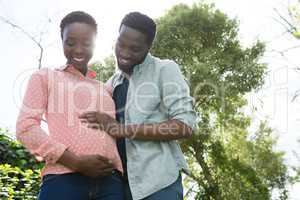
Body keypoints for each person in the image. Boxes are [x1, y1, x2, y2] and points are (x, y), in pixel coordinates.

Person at [80, 12, 197, 200]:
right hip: (119, 187)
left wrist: (121, 130)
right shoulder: (111, 83)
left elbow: (185, 125)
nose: (124, 53)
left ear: (149, 47)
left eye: (134, 49)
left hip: (158, 184)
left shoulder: (164, 69)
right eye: (121, 44)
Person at [16, 11, 124, 200]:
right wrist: (76, 162)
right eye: (71, 42)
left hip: (111, 184)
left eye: (87, 43)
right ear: (62, 41)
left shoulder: (106, 89)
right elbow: (25, 128)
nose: (79, 50)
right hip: (63, 180)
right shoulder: (45, 77)